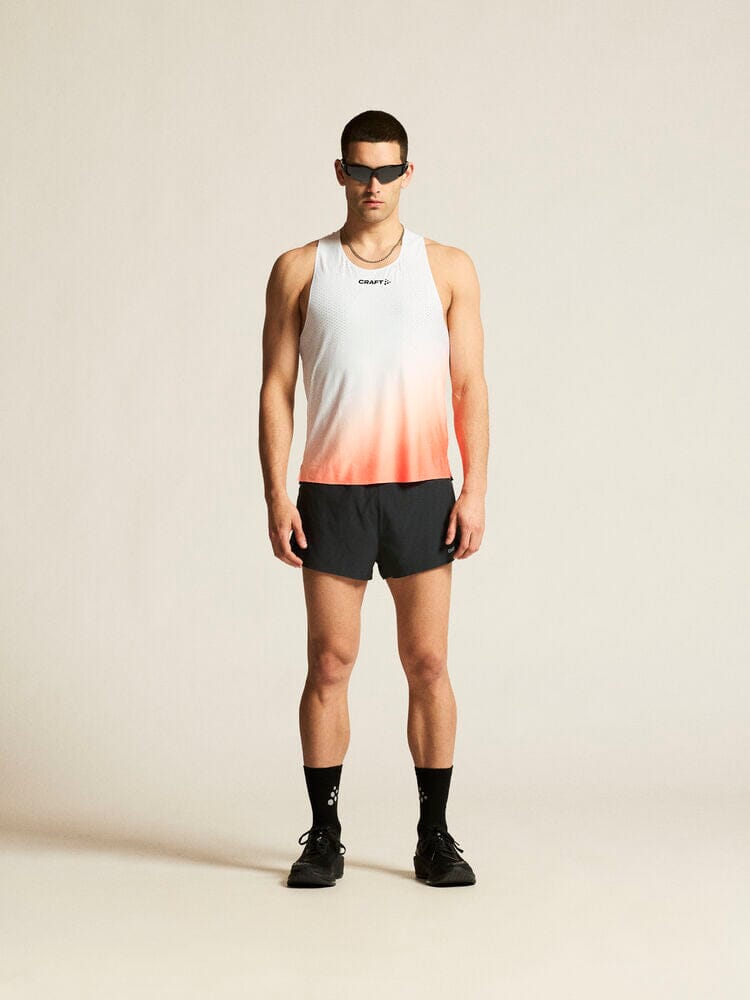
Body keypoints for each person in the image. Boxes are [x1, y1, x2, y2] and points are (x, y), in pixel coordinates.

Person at [259, 109, 488, 888]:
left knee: (428, 661)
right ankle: (323, 837)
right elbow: (276, 389)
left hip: (423, 490)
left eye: (388, 170)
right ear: (340, 172)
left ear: (408, 174)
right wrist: (277, 494)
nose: (374, 184)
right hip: (332, 492)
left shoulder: (447, 267)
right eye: (360, 169)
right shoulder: (301, 268)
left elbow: (470, 386)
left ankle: (435, 836)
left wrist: (474, 490)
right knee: (329, 661)